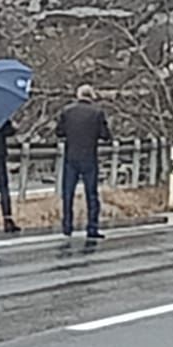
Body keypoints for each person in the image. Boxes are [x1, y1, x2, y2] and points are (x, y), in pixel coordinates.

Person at [56, 85, 112, 239]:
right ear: (91, 96)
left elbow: (59, 132)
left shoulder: (67, 111)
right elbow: (105, 135)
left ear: (78, 95)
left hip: (71, 157)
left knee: (68, 194)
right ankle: (92, 227)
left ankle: (67, 226)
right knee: (91, 194)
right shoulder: (97, 113)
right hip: (89, 157)